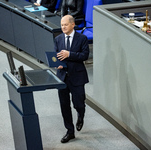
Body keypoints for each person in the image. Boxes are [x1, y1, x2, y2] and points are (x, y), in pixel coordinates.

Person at [54, 15, 89, 143]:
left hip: (77, 76)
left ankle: (80, 115)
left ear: (73, 25)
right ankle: (70, 131)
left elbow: (85, 55)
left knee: (78, 103)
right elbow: (56, 55)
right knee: (64, 105)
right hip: (62, 77)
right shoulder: (58, 39)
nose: (63, 27)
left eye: (66, 25)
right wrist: (57, 63)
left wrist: (70, 54)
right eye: (62, 25)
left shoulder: (82, 38)